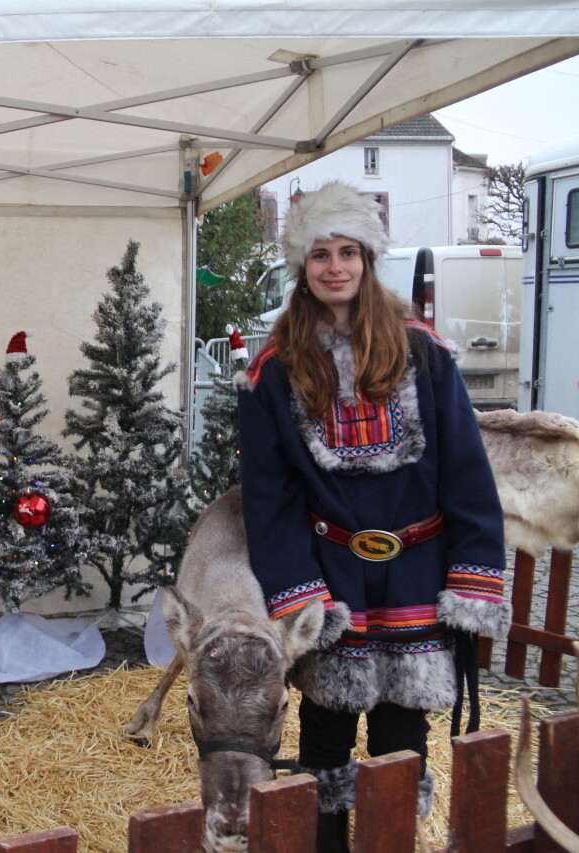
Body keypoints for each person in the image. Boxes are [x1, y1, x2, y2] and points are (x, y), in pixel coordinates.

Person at [235, 182, 510, 852]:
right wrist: (300, 595)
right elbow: (268, 500)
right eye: (322, 253)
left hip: (418, 571)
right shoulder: (272, 370)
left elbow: (468, 476)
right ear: (303, 265)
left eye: (348, 252)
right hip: (331, 575)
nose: (336, 266)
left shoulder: (425, 354)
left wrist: (472, 579)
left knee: (400, 736)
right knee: (324, 736)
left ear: (367, 259)